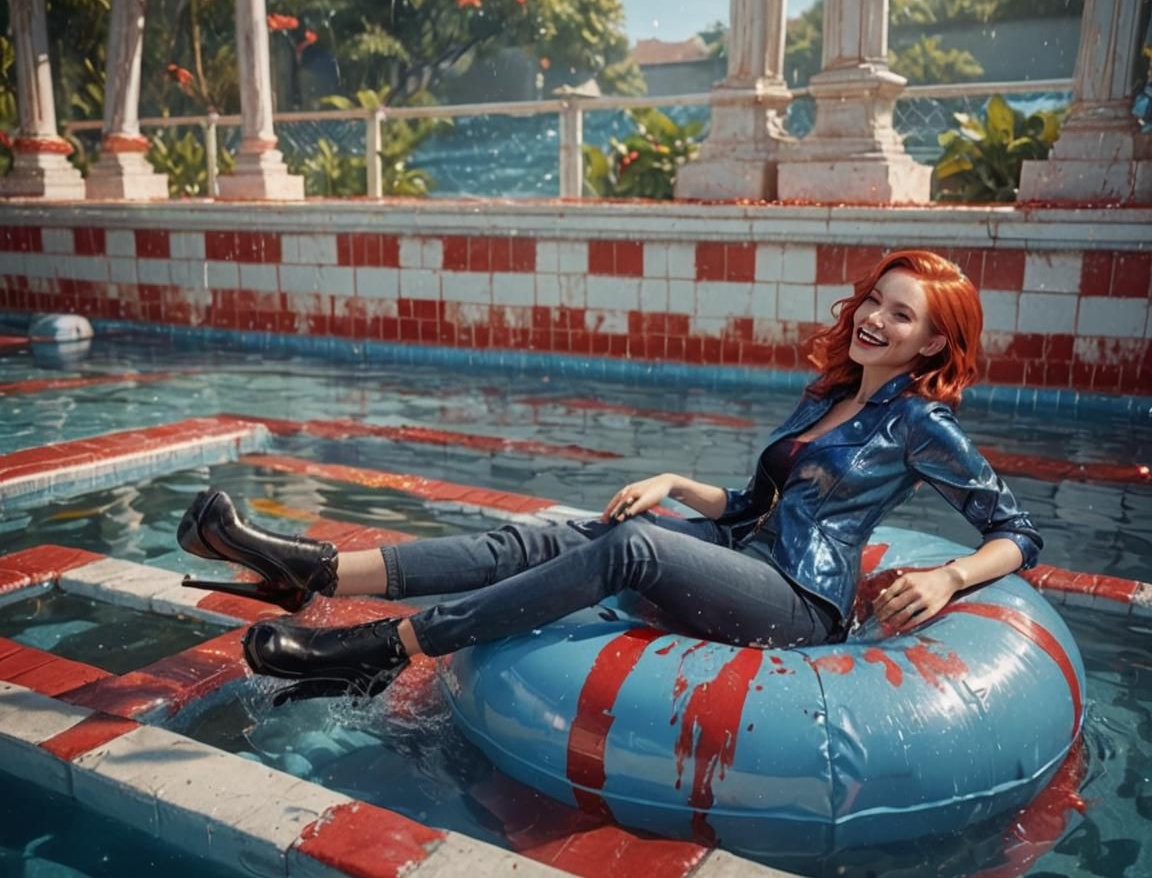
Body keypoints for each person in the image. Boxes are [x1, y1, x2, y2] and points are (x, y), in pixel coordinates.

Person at [177, 249, 1041, 705]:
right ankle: (317, 572)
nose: (874, 320)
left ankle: (377, 650)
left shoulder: (922, 424)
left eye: (902, 314)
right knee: (554, 531)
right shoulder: (828, 394)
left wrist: (950, 574)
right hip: (742, 555)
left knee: (627, 548)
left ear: (932, 342)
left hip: (799, 603)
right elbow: (750, 508)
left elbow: (1017, 532)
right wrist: (673, 479)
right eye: (873, 301)